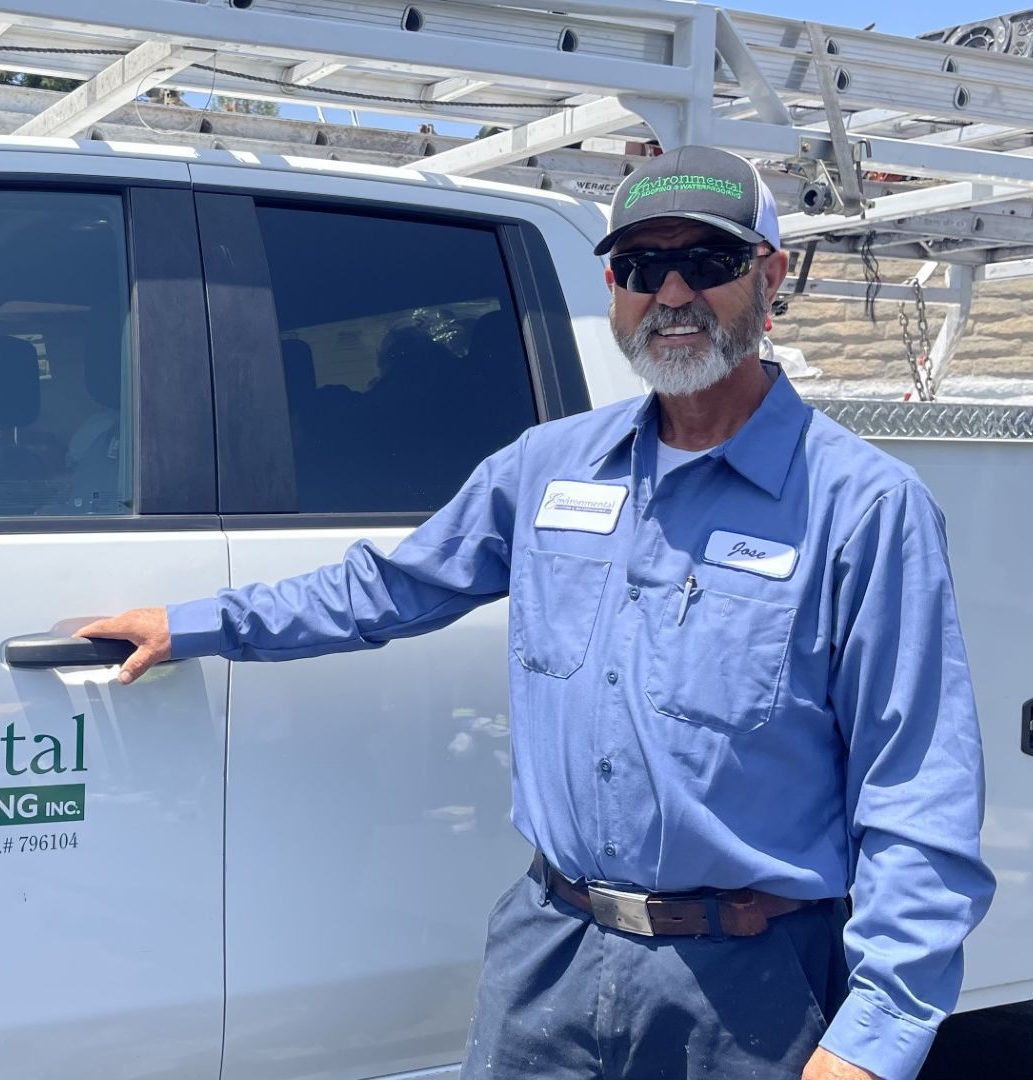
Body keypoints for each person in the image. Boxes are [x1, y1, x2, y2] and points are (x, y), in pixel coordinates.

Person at [77, 145, 995, 1080]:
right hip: (548, 953)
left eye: (707, 262)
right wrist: (193, 623)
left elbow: (916, 782)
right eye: (642, 266)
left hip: (749, 983)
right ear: (613, 287)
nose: (671, 291)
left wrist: (876, 1032)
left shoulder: (863, 506)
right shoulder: (548, 466)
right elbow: (390, 589)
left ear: (769, 275)